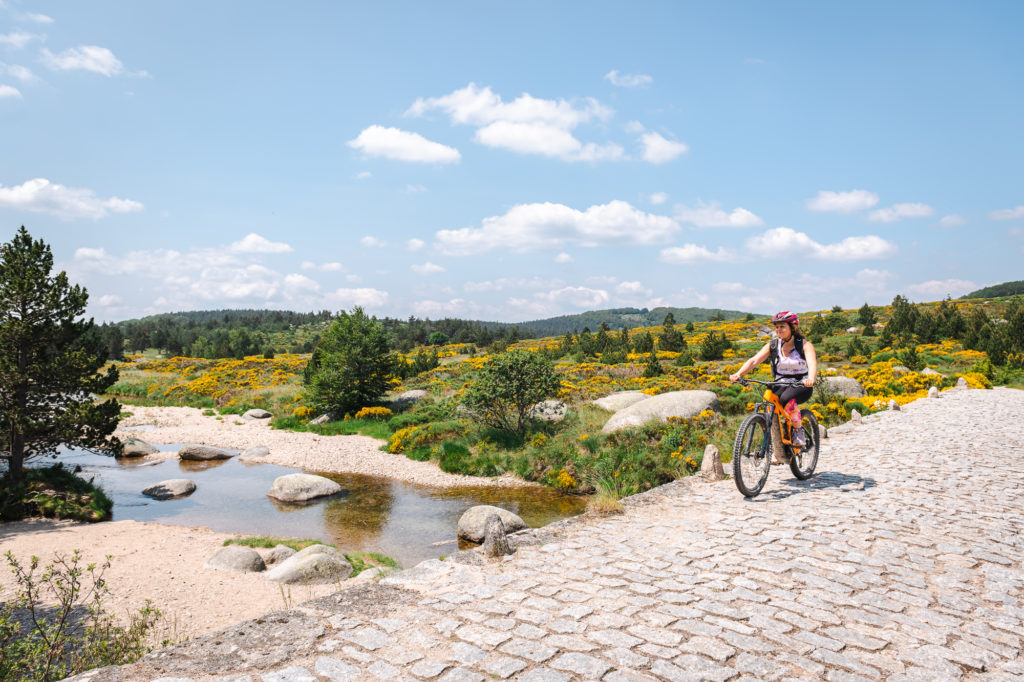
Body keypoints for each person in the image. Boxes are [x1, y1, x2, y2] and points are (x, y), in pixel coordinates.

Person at [729, 311, 818, 446]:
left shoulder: (804, 345)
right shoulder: (773, 345)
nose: (778, 330)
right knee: (768, 402)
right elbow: (754, 361)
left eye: (782, 326)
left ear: (792, 328)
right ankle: (775, 446)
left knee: (786, 399)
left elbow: (812, 363)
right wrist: (739, 374)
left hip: (802, 384)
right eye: (776, 327)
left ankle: (798, 430)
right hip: (780, 382)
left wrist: (810, 378)